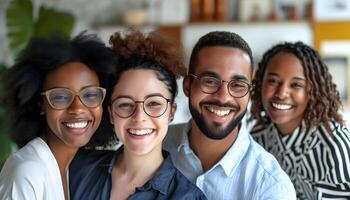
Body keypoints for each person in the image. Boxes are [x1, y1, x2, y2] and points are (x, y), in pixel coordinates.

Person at [69, 31, 207, 200]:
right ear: (111, 114)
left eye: (154, 103)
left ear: (171, 112)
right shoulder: (77, 169)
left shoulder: (187, 197)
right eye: (125, 104)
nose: (139, 117)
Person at [162, 31, 296, 199]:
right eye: (210, 81)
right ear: (188, 85)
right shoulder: (155, 146)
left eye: (238, 85)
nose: (224, 97)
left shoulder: (270, 187)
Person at [0, 33, 116, 199]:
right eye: (60, 97)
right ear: (41, 104)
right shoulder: (28, 172)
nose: (77, 108)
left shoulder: (71, 169)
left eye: (90, 95)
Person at [250, 41, 350, 199]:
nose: (281, 93)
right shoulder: (257, 137)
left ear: (312, 91)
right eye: (273, 81)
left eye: (296, 85)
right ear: (260, 83)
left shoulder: (333, 143)